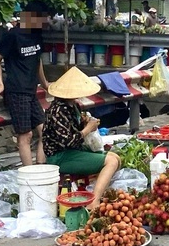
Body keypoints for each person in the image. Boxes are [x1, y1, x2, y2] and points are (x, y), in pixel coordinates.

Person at [41, 68, 123, 211]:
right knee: (111, 161)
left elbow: (75, 130)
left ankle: (95, 191)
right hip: (60, 156)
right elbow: (69, 141)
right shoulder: (58, 111)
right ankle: (93, 201)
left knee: (116, 157)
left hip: (72, 151)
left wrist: (84, 123)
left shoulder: (73, 106)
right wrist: (87, 129)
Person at [0, 0, 51, 167]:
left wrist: (45, 84)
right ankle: (29, 175)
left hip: (31, 91)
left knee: (45, 131)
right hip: (16, 90)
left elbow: (37, 61)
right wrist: (1, 84)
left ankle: (41, 168)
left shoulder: (37, 35)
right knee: (26, 135)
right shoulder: (13, 35)